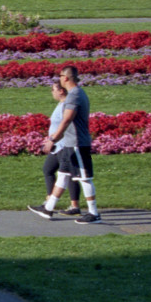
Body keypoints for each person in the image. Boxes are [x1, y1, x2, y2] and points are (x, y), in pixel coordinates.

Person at [35, 65, 101, 223]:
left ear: (65, 78)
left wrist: (52, 140)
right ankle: (48, 208)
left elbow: (66, 120)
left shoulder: (74, 95)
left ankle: (94, 213)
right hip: (70, 144)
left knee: (84, 178)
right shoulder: (77, 93)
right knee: (63, 175)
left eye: (60, 76)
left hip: (77, 143)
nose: (59, 79)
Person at [30, 81, 86, 218]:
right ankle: (52, 203)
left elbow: (65, 124)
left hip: (62, 145)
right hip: (56, 144)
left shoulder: (66, 106)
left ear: (61, 91)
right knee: (51, 170)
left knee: (69, 175)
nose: (52, 92)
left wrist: (53, 140)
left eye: (53, 89)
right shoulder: (61, 104)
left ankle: (60, 205)